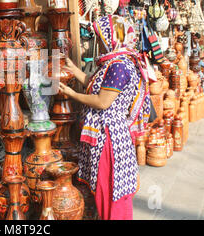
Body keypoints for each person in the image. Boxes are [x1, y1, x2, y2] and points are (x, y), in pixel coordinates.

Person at [59, 15, 151, 220]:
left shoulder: (118, 65)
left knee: (111, 192)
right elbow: (93, 84)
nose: (97, 43)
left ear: (112, 38)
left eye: (100, 38)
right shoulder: (117, 62)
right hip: (110, 135)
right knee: (109, 192)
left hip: (109, 138)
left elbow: (102, 101)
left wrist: (71, 94)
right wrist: (73, 69)